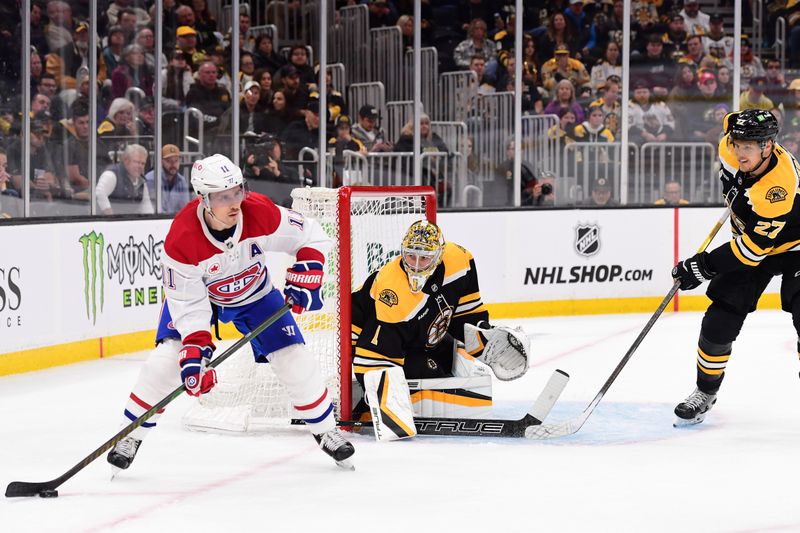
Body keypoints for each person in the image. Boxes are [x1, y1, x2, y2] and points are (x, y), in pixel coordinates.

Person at [106, 154, 354, 470]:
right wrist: (195, 352)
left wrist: (310, 266)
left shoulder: (258, 211)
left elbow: (311, 234)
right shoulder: (182, 239)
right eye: (223, 197)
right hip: (202, 300)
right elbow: (189, 305)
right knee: (165, 363)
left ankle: (325, 431)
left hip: (255, 294)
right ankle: (131, 435)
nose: (234, 202)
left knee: (295, 359)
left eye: (238, 191)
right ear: (203, 199)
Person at [670, 109, 800, 426]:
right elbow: (730, 119)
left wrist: (702, 266)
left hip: (795, 246)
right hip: (750, 236)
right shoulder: (729, 145)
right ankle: (705, 393)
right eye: (738, 144)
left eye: (749, 147)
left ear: (768, 146)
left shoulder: (777, 189)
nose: (740, 152)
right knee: (718, 322)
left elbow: (753, 252)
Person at [349, 220, 529, 418]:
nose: (416, 266)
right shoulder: (393, 292)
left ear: (439, 255)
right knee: (433, 376)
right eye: (410, 256)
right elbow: (375, 351)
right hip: (364, 342)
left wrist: (483, 335)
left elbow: (466, 314)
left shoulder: (460, 261)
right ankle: (364, 406)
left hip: (412, 338)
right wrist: (382, 397)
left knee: (447, 359)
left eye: (424, 258)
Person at [95, 143, 153, 215]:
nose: (140, 166)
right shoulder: (111, 174)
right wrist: (111, 216)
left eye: (143, 163)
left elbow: (146, 205)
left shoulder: (141, 181)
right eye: (137, 162)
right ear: (126, 161)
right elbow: (99, 193)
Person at [144, 144, 191, 214]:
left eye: (176, 160)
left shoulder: (182, 181)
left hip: (174, 221)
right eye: (169, 161)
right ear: (161, 162)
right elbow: (153, 209)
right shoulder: (151, 179)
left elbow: (185, 209)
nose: (173, 164)